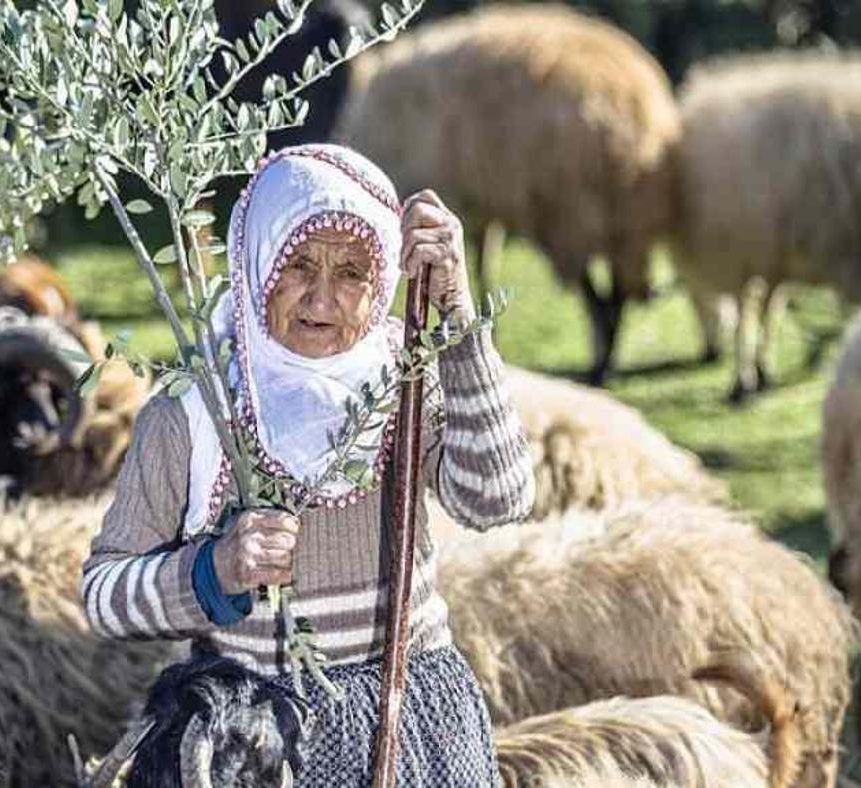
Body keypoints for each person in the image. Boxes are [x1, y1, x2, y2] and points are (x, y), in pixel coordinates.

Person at [82, 143, 533, 786]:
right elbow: (103, 597)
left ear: (382, 282)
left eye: (352, 271)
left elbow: (501, 497)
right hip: (248, 742)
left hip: (411, 727)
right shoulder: (195, 412)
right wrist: (215, 571)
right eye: (298, 264)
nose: (322, 298)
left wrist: (457, 318)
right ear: (259, 261)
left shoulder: (401, 384)